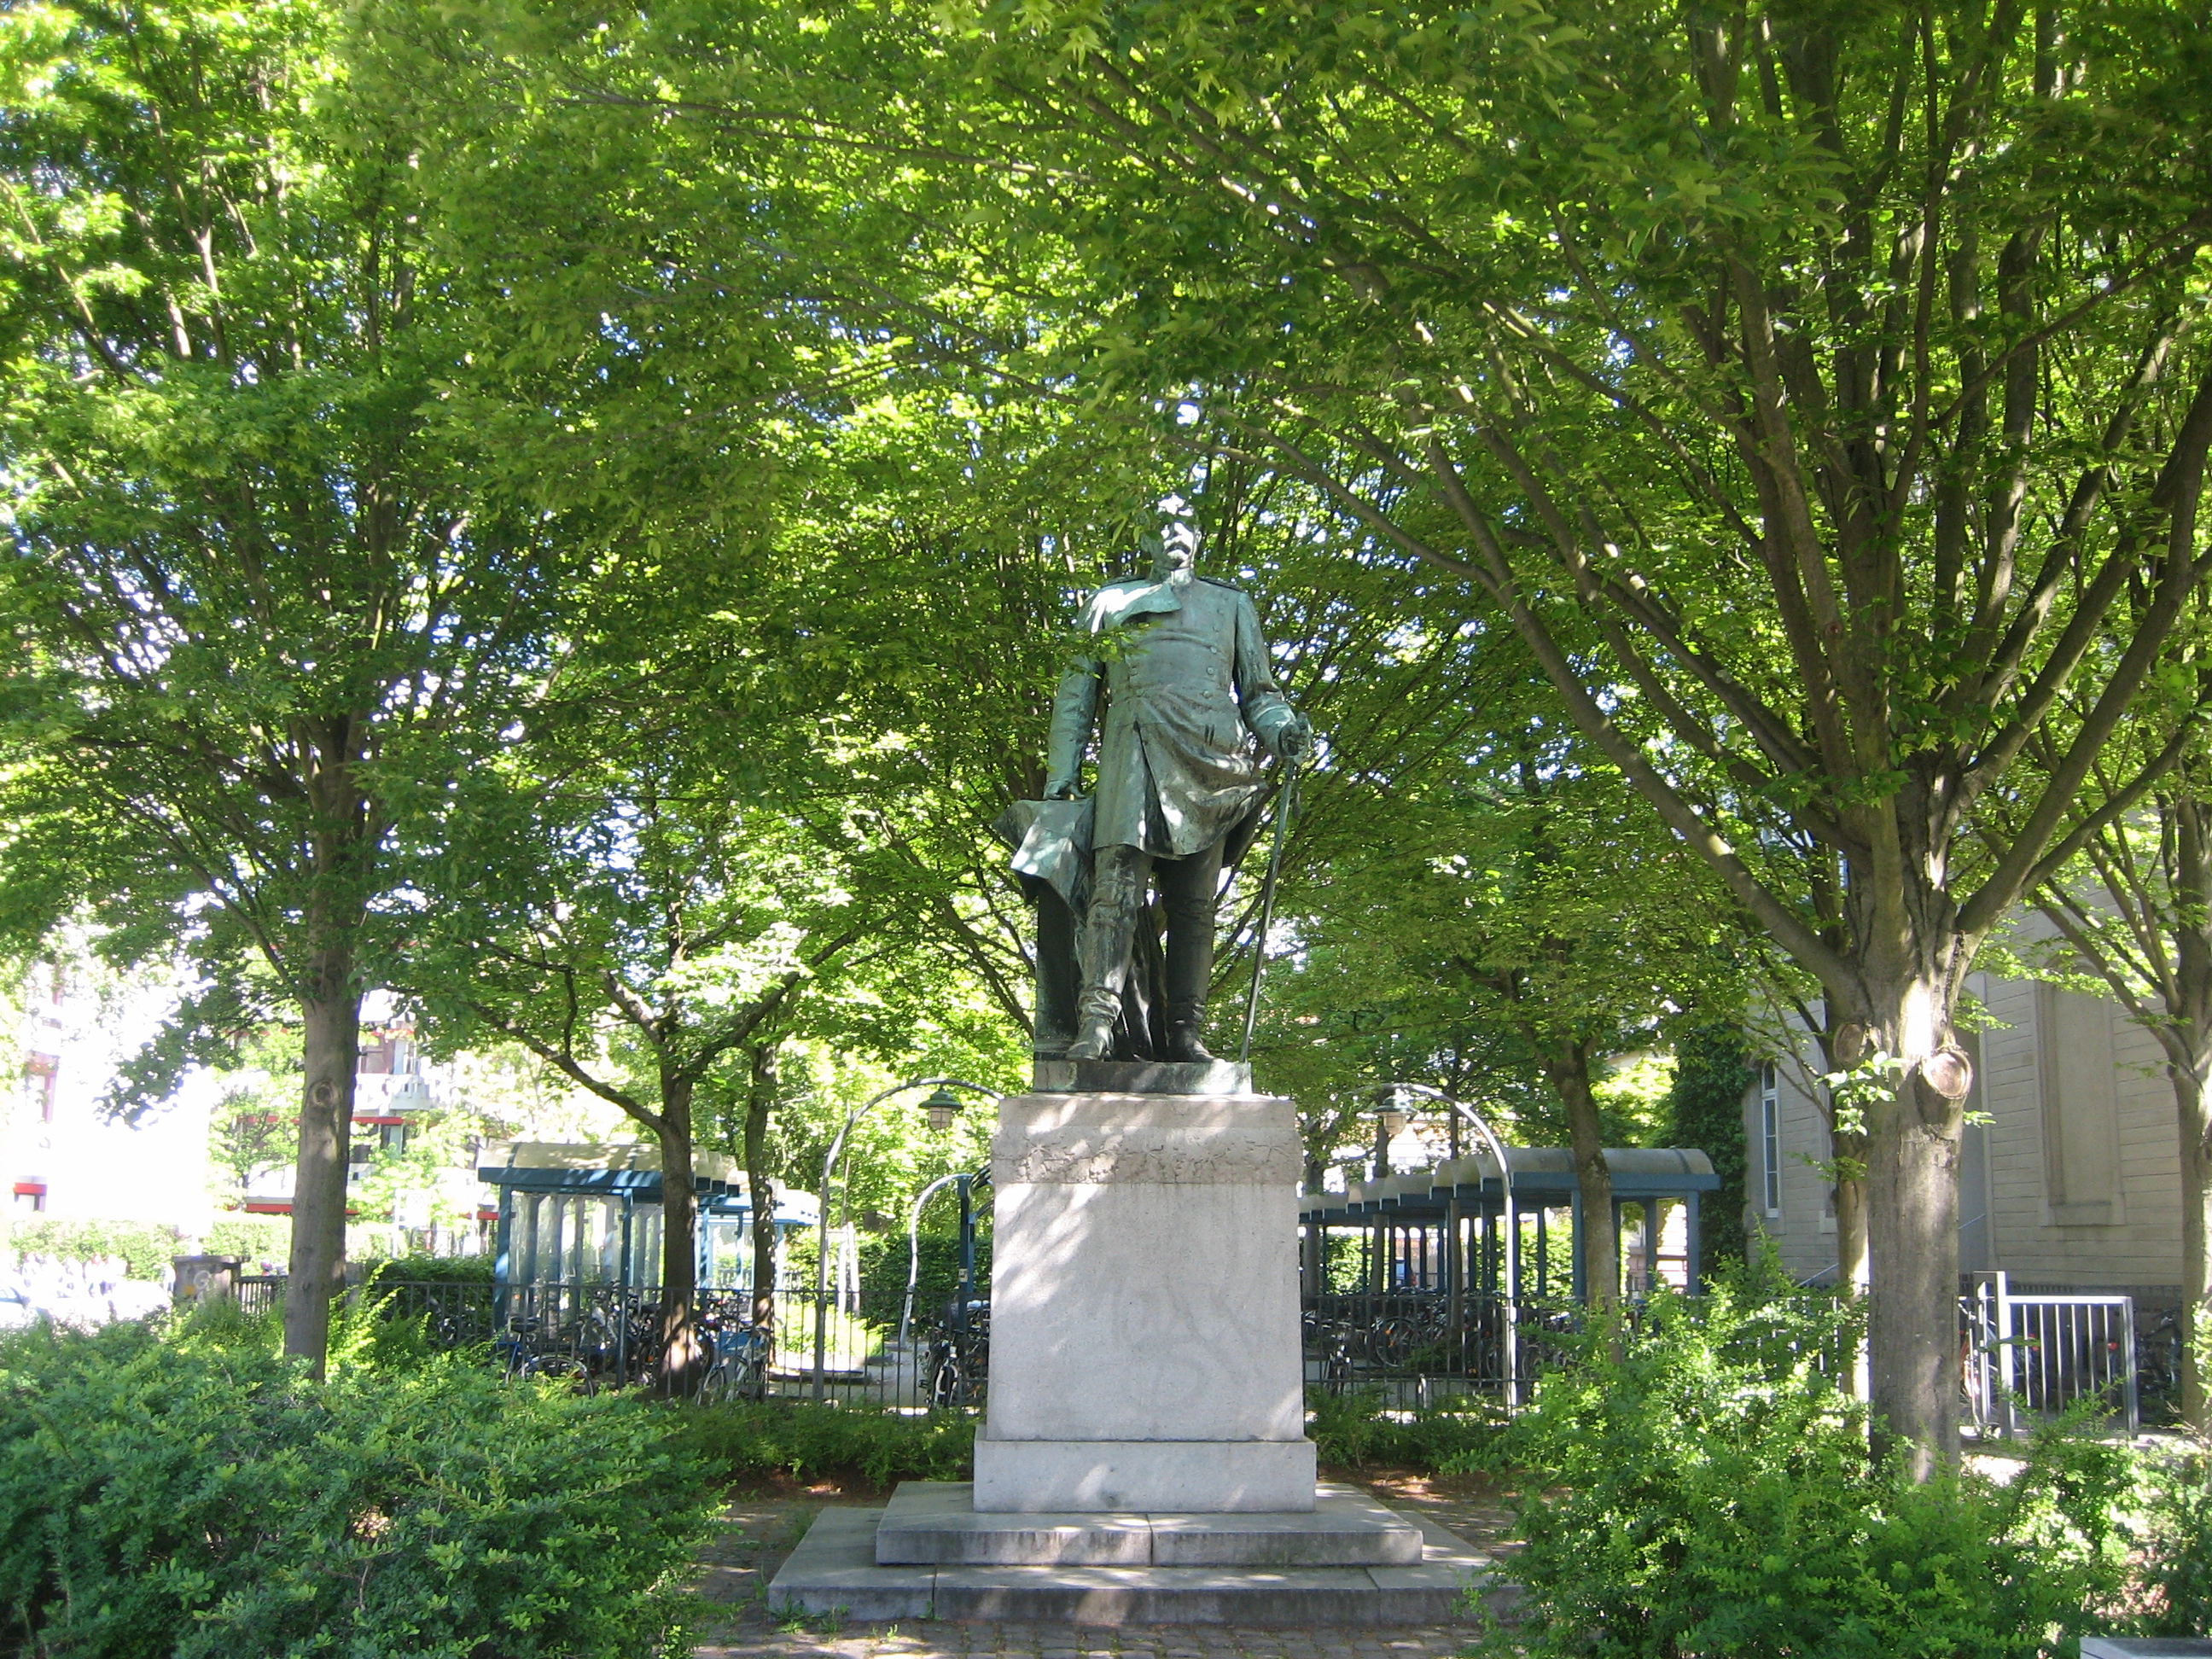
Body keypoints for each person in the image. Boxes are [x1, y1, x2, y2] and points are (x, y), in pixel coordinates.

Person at [1045, 528, 1312, 1062]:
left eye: (1184, 519)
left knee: (1194, 905)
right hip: (1133, 751)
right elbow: (1076, 693)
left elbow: (1260, 694)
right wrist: (1061, 774)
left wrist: (1282, 731)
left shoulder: (1232, 603)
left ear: (1198, 535)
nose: (1173, 530)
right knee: (1114, 892)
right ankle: (1096, 1023)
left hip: (1212, 760)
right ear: (1143, 534)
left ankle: (1187, 1032)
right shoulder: (1109, 601)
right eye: (1161, 520)